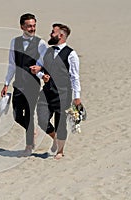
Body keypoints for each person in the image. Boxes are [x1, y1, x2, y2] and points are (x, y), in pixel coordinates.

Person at [30, 23, 82, 159]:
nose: (50, 34)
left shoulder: (71, 54)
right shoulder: (47, 51)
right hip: (46, 92)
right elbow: (38, 68)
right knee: (42, 120)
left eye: (53, 32)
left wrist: (77, 97)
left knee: (60, 123)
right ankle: (55, 138)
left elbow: (75, 77)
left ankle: (60, 151)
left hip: (63, 94)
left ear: (60, 36)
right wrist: (41, 75)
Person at [1, 13, 47, 156]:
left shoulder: (41, 43)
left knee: (29, 114)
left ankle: (29, 146)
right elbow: (12, 64)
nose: (32, 28)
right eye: (29, 26)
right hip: (19, 83)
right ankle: (31, 131)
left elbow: (44, 63)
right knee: (17, 115)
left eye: (34, 25)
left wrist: (40, 72)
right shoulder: (15, 42)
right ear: (22, 26)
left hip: (33, 84)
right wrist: (6, 83)